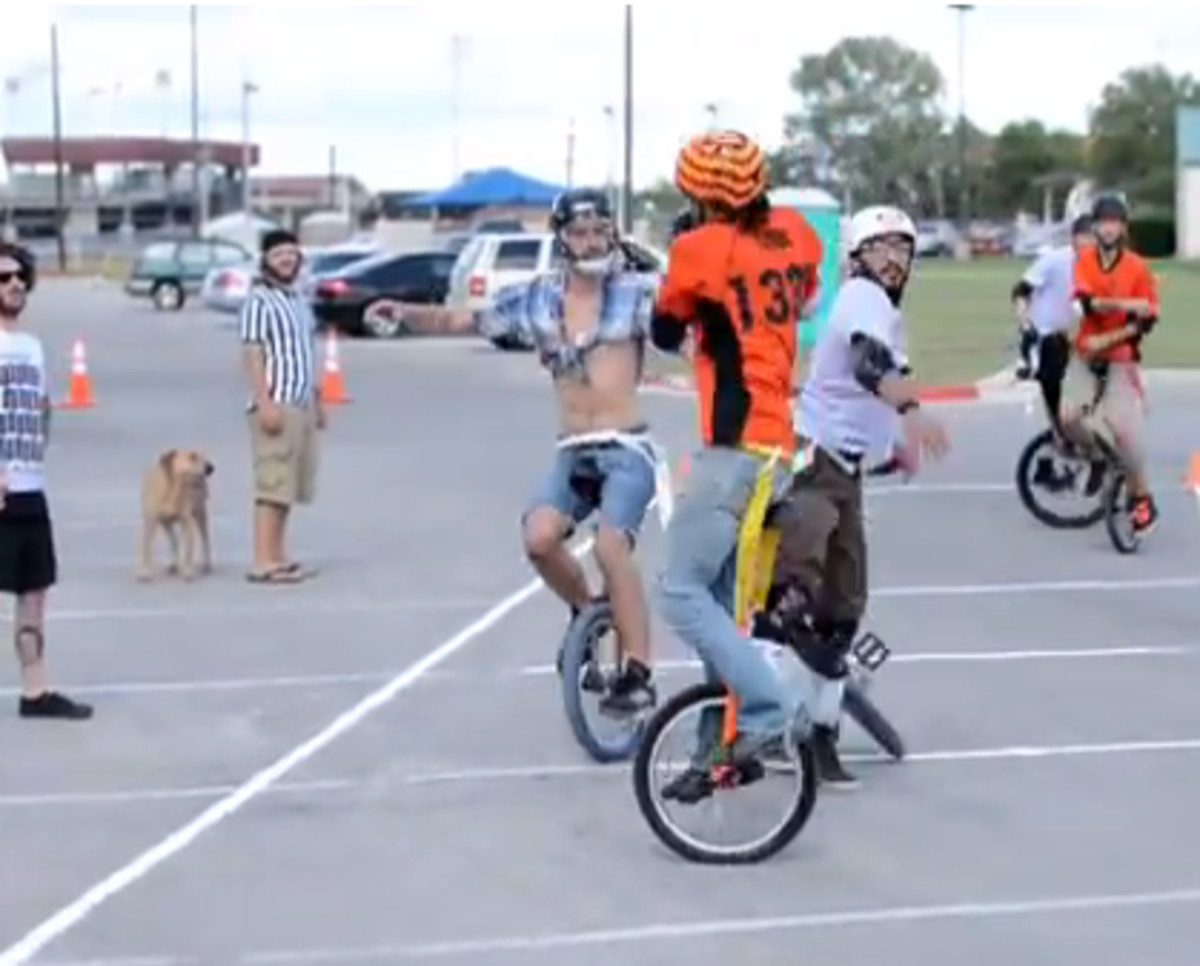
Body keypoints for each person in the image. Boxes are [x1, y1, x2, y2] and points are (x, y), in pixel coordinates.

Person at [398, 188, 661, 715]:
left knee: (612, 549)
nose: (590, 242)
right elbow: (469, 320)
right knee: (539, 539)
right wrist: (405, 312)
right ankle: (588, 615)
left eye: (599, 232)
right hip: (573, 448)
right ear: (562, 239)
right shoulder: (540, 298)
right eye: (579, 233)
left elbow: (701, 317)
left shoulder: (639, 292)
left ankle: (637, 672)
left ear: (613, 234)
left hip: (627, 446)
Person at [648, 129, 825, 802]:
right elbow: (797, 298)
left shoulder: (697, 251)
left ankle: (766, 710)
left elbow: (666, 333)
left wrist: (676, 258)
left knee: (680, 592)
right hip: (779, 443)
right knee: (720, 607)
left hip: (735, 448)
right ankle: (715, 749)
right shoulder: (796, 232)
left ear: (699, 196)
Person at [759, 205, 950, 787]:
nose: (893, 258)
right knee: (794, 600)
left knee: (841, 611)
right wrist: (913, 413)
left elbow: (876, 378)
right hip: (815, 464)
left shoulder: (884, 311)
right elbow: (870, 367)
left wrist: (894, 443)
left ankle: (816, 734)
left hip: (843, 470)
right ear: (856, 257)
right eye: (880, 247)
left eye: (902, 248)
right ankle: (764, 725)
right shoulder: (862, 298)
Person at [0, 242, 92, 720]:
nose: (14, 285)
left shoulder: (31, 346)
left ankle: (35, 692)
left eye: (20, 278)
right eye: (4, 278)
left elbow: (42, 408)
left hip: (29, 485)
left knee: (33, 590)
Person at [1062, 193, 1160, 533]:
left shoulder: (1138, 267)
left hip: (1120, 356)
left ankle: (1143, 498)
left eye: (1114, 223)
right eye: (1102, 222)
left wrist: (1112, 335)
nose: (1108, 229)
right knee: (1069, 419)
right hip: (1086, 354)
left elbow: (1147, 321)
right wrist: (1128, 304)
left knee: (1124, 432)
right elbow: (1087, 305)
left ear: (1123, 228)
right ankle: (1098, 459)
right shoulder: (1084, 261)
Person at [239, 229, 326, 584]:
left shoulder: (298, 300)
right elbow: (252, 352)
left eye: (292, 253)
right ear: (266, 261)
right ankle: (262, 561)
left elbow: (305, 354)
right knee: (271, 484)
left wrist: (317, 401)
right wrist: (264, 402)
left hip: (300, 403)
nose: (287, 260)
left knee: (287, 486)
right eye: (279, 255)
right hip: (276, 403)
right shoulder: (259, 301)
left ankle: (278, 555)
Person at [1011, 213, 1094, 427]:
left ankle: (1073, 433)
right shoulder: (1055, 260)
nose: (1089, 247)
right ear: (1074, 239)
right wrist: (1025, 326)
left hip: (1070, 334)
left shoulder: (1097, 267)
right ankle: (1057, 438)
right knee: (1053, 389)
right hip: (1043, 334)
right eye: (1084, 239)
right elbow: (1021, 292)